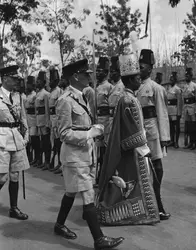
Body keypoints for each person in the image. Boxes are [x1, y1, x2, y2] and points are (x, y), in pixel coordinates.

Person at [54, 59, 124, 249]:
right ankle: (99, 239)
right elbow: (64, 133)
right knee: (87, 193)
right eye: (86, 74)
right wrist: (89, 133)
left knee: (71, 191)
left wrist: (93, 128)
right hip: (75, 156)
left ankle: (59, 225)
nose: (89, 76)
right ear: (76, 76)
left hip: (85, 153)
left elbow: (81, 124)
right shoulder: (65, 100)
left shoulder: (82, 96)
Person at [96, 53, 160, 226]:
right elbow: (129, 127)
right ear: (131, 80)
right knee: (134, 181)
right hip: (134, 148)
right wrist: (141, 143)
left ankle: (145, 210)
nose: (141, 80)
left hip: (137, 145)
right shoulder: (127, 99)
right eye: (138, 77)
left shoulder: (130, 97)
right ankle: (133, 212)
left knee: (135, 182)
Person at [137, 49, 171, 221]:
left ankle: (158, 205)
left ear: (150, 68)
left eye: (142, 67)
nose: (139, 69)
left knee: (157, 168)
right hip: (138, 135)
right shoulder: (134, 88)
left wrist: (164, 137)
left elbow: (162, 113)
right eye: (138, 66)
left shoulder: (156, 88)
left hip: (152, 134)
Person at [0, 65, 29, 220]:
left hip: (16, 137)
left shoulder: (18, 96)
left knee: (15, 175)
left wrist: (26, 135)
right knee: (2, 177)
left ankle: (14, 208)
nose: (17, 81)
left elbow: (23, 117)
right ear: (5, 79)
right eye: (14, 78)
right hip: (2, 137)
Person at [96, 57, 113, 184]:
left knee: (106, 151)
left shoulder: (109, 87)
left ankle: (105, 175)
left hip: (106, 121)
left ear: (106, 72)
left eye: (100, 71)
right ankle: (99, 175)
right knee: (99, 151)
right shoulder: (96, 87)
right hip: (98, 121)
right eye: (97, 70)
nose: (97, 73)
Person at [35, 71, 52, 170]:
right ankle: (42, 161)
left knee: (46, 142)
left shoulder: (46, 94)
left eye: (40, 81)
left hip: (44, 120)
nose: (38, 83)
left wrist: (47, 122)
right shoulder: (38, 93)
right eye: (37, 81)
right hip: (38, 120)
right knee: (42, 142)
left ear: (44, 83)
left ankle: (47, 162)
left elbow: (47, 109)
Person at [48, 67, 63, 173]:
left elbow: (59, 107)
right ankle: (56, 162)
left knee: (59, 142)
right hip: (52, 118)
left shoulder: (59, 91)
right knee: (54, 142)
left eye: (52, 80)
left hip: (57, 118)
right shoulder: (51, 92)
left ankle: (61, 163)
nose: (50, 82)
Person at [182, 67, 196, 150]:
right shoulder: (184, 86)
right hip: (186, 108)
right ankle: (190, 142)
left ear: (191, 76)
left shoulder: (195, 86)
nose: (187, 77)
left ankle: (194, 143)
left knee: (193, 127)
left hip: (192, 107)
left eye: (188, 76)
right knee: (188, 127)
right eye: (186, 76)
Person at [25, 76, 40, 167]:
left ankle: (37, 158)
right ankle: (32, 158)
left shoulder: (35, 95)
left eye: (29, 85)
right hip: (28, 119)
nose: (27, 86)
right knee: (30, 141)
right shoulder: (27, 95)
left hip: (34, 120)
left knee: (35, 140)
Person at [108, 55, 124, 134]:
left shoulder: (122, 86)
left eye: (113, 71)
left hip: (120, 119)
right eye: (110, 72)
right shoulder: (111, 87)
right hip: (111, 119)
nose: (111, 74)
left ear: (119, 72)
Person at [167, 72, 183, 148]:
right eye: (170, 80)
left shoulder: (177, 89)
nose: (171, 81)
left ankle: (176, 142)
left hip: (175, 110)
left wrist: (179, 113)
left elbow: (180, 102)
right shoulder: (169, 89)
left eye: (172, 80)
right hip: (169, 110)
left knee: (177, 127)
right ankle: (172, 141)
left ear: (175, 80)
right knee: (171, 127)